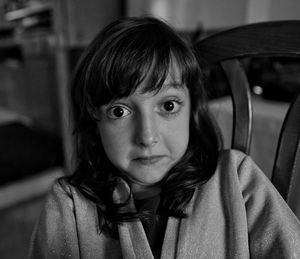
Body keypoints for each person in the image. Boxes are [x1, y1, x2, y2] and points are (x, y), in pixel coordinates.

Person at [29, 17, 300, 259]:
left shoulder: (237, 178)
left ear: (191, 107)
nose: (147, 136)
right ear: (94, 118)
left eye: (168, 106)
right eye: (120, 111)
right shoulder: (68, 205)